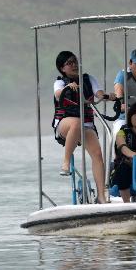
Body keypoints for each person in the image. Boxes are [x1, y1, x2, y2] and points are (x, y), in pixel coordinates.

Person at [52, 50, 111, 203]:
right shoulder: (60, 82)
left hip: (85, 124)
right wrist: (67, 88)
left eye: (75, 62)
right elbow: (58, 94)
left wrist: (106, 96)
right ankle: (65, 162)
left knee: (97, 154)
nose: (74, 65)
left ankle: (101, 196)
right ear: (62, 68)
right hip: (65, 124)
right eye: (69, 63)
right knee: (76, 122)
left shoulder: (88, 79)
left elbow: (98, 93)